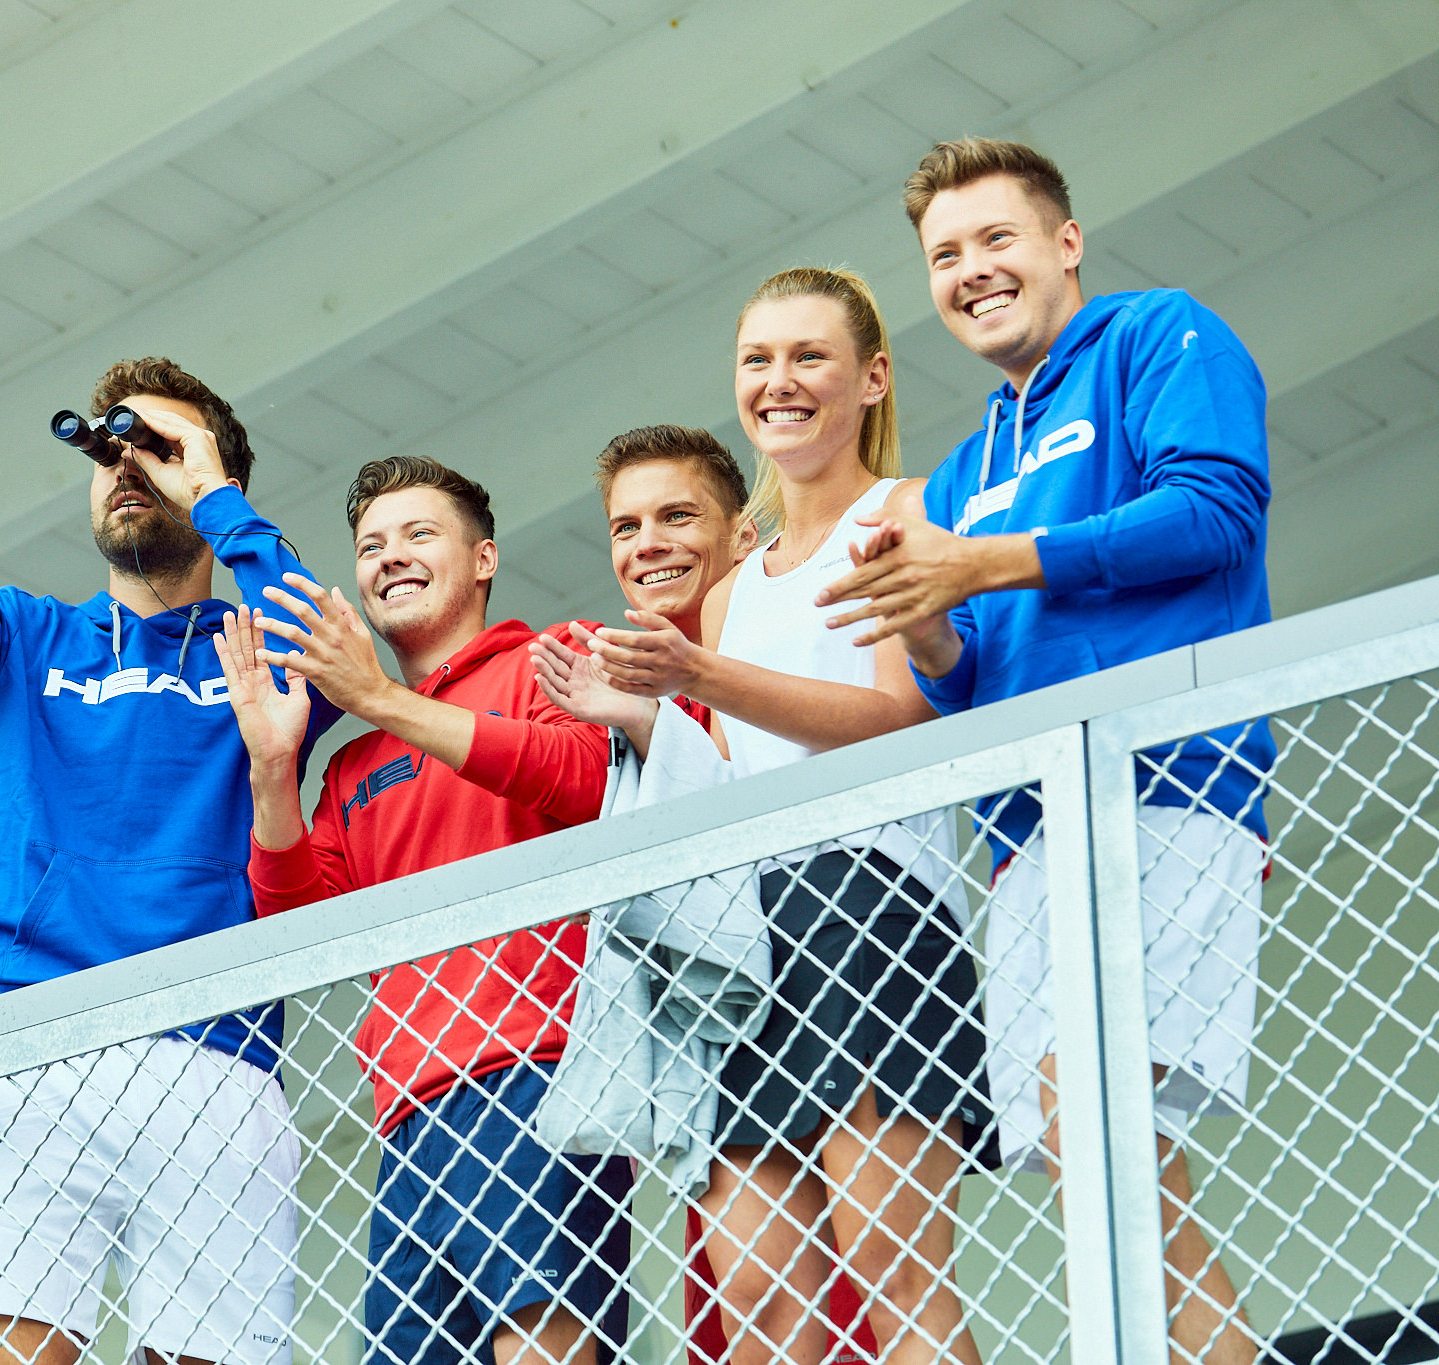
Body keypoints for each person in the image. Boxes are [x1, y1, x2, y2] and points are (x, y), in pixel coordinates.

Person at [819, 137, 1273, 1365]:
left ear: (1064, 243)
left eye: (994, 239)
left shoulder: (1156, 334)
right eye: (943, 255)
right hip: (1024, 837)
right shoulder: (965, 468)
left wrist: (984, 561)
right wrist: (920, 617)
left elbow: (1214, 510)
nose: (969, 270)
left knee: (1095, 1121)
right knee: (1099, 1155)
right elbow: (963, 679)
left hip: (1164, 783)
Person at [0, 361, 339, 1365]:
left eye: (159, 449)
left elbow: (327, 651)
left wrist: (219, 502)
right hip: (28, 1039)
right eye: (111, 451)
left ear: (214, 477)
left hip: (213, 1051)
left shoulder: (260, 648)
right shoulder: (26, 638)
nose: (126, 467)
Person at [533, 269, 990, 1365]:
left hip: (874, 907)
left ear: (871, 379)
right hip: (750, 932)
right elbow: (737, 783)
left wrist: (697, 673)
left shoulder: (905, 511)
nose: (778, 381)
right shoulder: (736, 590)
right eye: (757, 360)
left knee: (892, 1268)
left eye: (807, 356)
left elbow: (899, 719)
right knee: (754, 1297)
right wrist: (642, 718)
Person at [212, 456, 627, 1365]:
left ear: (484, 559)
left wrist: (380, 699)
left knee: (545, 1345)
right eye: (370, 546)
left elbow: (583, 776)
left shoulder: (556, 654)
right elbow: (301, 932)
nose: (389, 556)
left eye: (418, 534)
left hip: (540, 1073)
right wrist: (273, 770)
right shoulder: (353, 765)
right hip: (406, 1111)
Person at [589, 428, 879, 1365]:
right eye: (626, 526)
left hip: (837, 957)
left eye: (677, 516)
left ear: (746, 536)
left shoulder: (795, 639)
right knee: (744, 1304)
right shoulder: (620, 689)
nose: (649, 544)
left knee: (870, 1291)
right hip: (716, 1027)